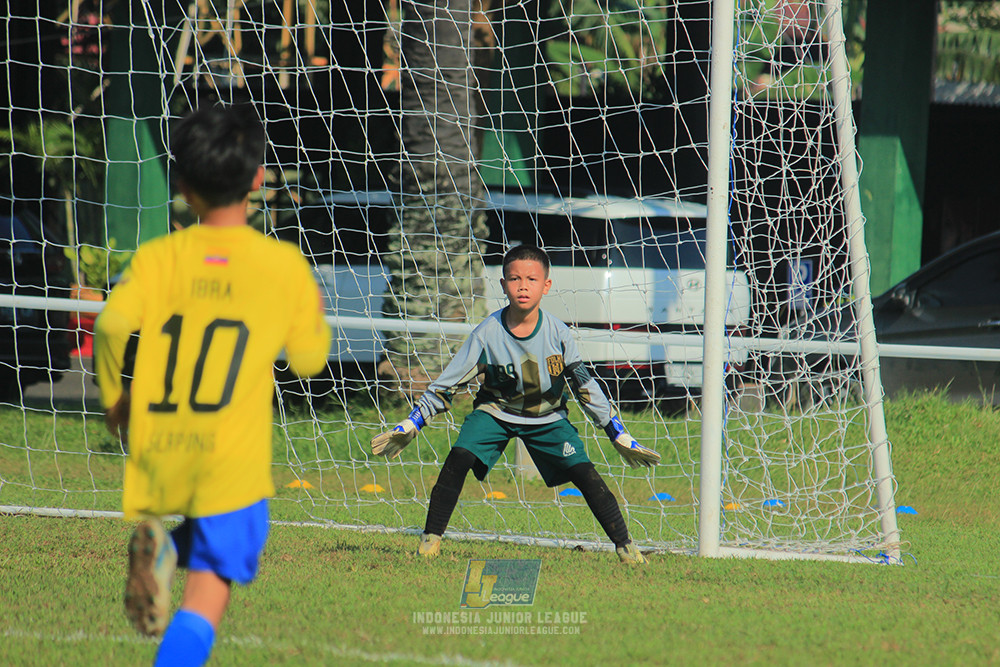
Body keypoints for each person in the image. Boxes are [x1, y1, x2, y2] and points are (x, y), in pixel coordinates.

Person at [94, 104, 332, 666]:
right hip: (231, 455)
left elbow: (109, 325)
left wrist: (116, 401)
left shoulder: (157, 258)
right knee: (209, 593)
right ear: (256, 178)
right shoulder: (280, 265)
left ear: (181, 182)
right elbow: (308, 361)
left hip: (161, 442)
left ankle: (167, 551)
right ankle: (171, 569)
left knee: (198, 534)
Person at [371, 244, 659, 564]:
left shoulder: (558, 334)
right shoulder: (486, 334)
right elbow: (445, 385)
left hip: (548, 417)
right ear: (503, 284)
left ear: (546, 285)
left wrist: (616, 431)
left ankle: (626, 548)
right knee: (459, 457)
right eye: (514, 278)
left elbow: (585, 386)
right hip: (495, 412)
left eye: (532, 279)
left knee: (585, 473)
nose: (523, 286)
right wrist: (412, 422)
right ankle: (430, 541)